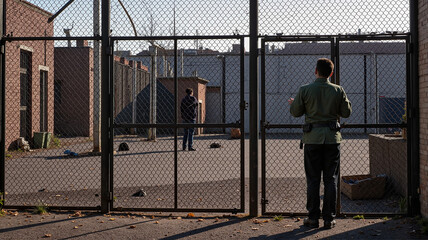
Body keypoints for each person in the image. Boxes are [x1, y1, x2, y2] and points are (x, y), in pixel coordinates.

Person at [289, 58, 352, 229]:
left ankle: (313, 217)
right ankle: (329, 218)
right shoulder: (338, 90)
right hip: (332, 139)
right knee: (331, 179)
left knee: (313, 179)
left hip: (312, 139)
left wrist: (294, 103)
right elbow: (346, 113)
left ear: (315, 71)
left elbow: (295, 112)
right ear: (331, 73)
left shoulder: (305, 90)